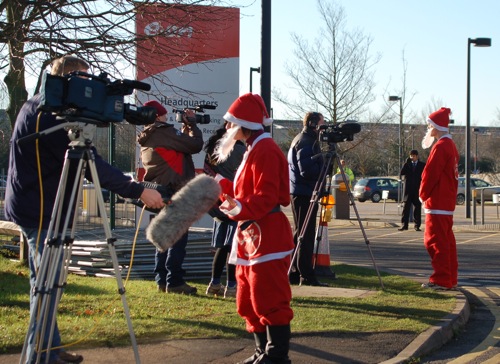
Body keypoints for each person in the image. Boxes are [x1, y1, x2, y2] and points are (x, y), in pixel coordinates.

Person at [4, 55, 165, 364]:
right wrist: (138, 191)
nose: (89, 91)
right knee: (46, 287)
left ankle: (49, 348)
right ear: (66, 80)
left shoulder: (39, 106)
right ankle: (38, 356)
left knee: (46, 284)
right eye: (83, 83)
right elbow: (94, 166)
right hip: (41, 212)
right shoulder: (50, 115)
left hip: (38, 206)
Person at [214, 93, 294, 364]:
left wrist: (238, 208)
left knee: (269, 297)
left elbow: (266, 196)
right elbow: (246, 193)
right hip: (251, 234)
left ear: (242, 124)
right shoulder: (254, 148)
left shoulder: (266, 150)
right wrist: (220, 189)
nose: (226, 129)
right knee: (248, 299)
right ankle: (262, 351)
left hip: (267, 234)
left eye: (230, 123)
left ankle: (276, 356)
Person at [137, 100, 203, 295]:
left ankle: (162, 280)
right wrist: (192, 125)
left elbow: (174, 151)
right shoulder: (163, 131)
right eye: (164, 115)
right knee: (178, 238)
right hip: (174, 191)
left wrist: (183, 130)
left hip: (159, 192)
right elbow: (195, 145)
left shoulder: (148, 136)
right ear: (158, 116)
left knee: (164, 237)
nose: (167, 118)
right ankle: (174, 281)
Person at [419, 107, 459, 291]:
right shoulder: (450, 146)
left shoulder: (441, 146)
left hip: (437, 202)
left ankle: (441, 279)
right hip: (446, 202)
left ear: (436, 126)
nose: (428, 128)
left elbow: (430, 174)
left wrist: (423, 194)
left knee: (435, 241)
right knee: (447, 242)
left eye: (430, 124)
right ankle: (450, 278)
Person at [203, 123, 245, 298]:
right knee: (232, 247)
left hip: (216, 201)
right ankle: (232, 286)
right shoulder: (240, 150)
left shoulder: (214, 147)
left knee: (221, 246)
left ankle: (214, 283)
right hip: (233, 200)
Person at [287, 111, 328, 287]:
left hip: (301, 191)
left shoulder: (304, 139)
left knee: (300, 234)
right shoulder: (306, 141)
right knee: (306, 235)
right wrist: (323, 164)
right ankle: (306, 275)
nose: (324, 128)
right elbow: (306, 170)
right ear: (313, 124)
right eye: (322, 124)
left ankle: (295, 272)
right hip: (304, 193)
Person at [398, 150, 425, 231]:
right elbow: (402, 173)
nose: (412, 158)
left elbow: (425, 175)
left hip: (417, 189)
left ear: (417, 156)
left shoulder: (422, 165)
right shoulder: (407, 165)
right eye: (411, 156)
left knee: (417, 208)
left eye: (413, 156)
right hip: (408, 190)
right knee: (406, 208)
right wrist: (406, 164)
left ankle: (417, 225)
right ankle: (404, 225)